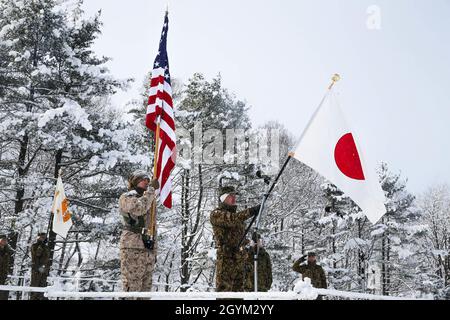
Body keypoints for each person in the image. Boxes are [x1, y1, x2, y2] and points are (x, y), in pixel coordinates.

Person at [210, 185, 260, 292]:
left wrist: (248, 242)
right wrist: (251, 211)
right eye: (230, 196)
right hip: (226, 259)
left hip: (239, 259)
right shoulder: (217, 214)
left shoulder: (237, 217)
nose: (234, 198)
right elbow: (232, 219)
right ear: (223, 198)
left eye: (234, 196)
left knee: (238, 293)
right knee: (225, 293)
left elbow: (237, 237)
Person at [118, 170, 159, 294]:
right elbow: (139, 208)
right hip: (133, 246)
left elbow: (152, 224)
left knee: (146, 288)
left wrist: (154, 249)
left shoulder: (149, 199)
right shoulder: (127, 197)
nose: (147, 182)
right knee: (132, 285)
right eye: (143, 179)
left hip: (147, 246)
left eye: (148, 180)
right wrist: (151, 190)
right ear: (135, 182)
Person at [30, 232, 51, 300]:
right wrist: (40, 245)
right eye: (42, 237)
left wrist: (46, 268)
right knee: (35, 289)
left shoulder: (46, 247)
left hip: (44, 271)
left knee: (42, 290)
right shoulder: (35, 246)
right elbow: (37, 255)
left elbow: (46, 259)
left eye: (44, 237)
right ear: (38, 238)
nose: (43, 238)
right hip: (37, 270)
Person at [0, 234, 13, 300]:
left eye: (5, 240)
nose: (4, 241)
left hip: (3, 274)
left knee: (2, 294)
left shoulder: (7, 251)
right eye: (3, 240)